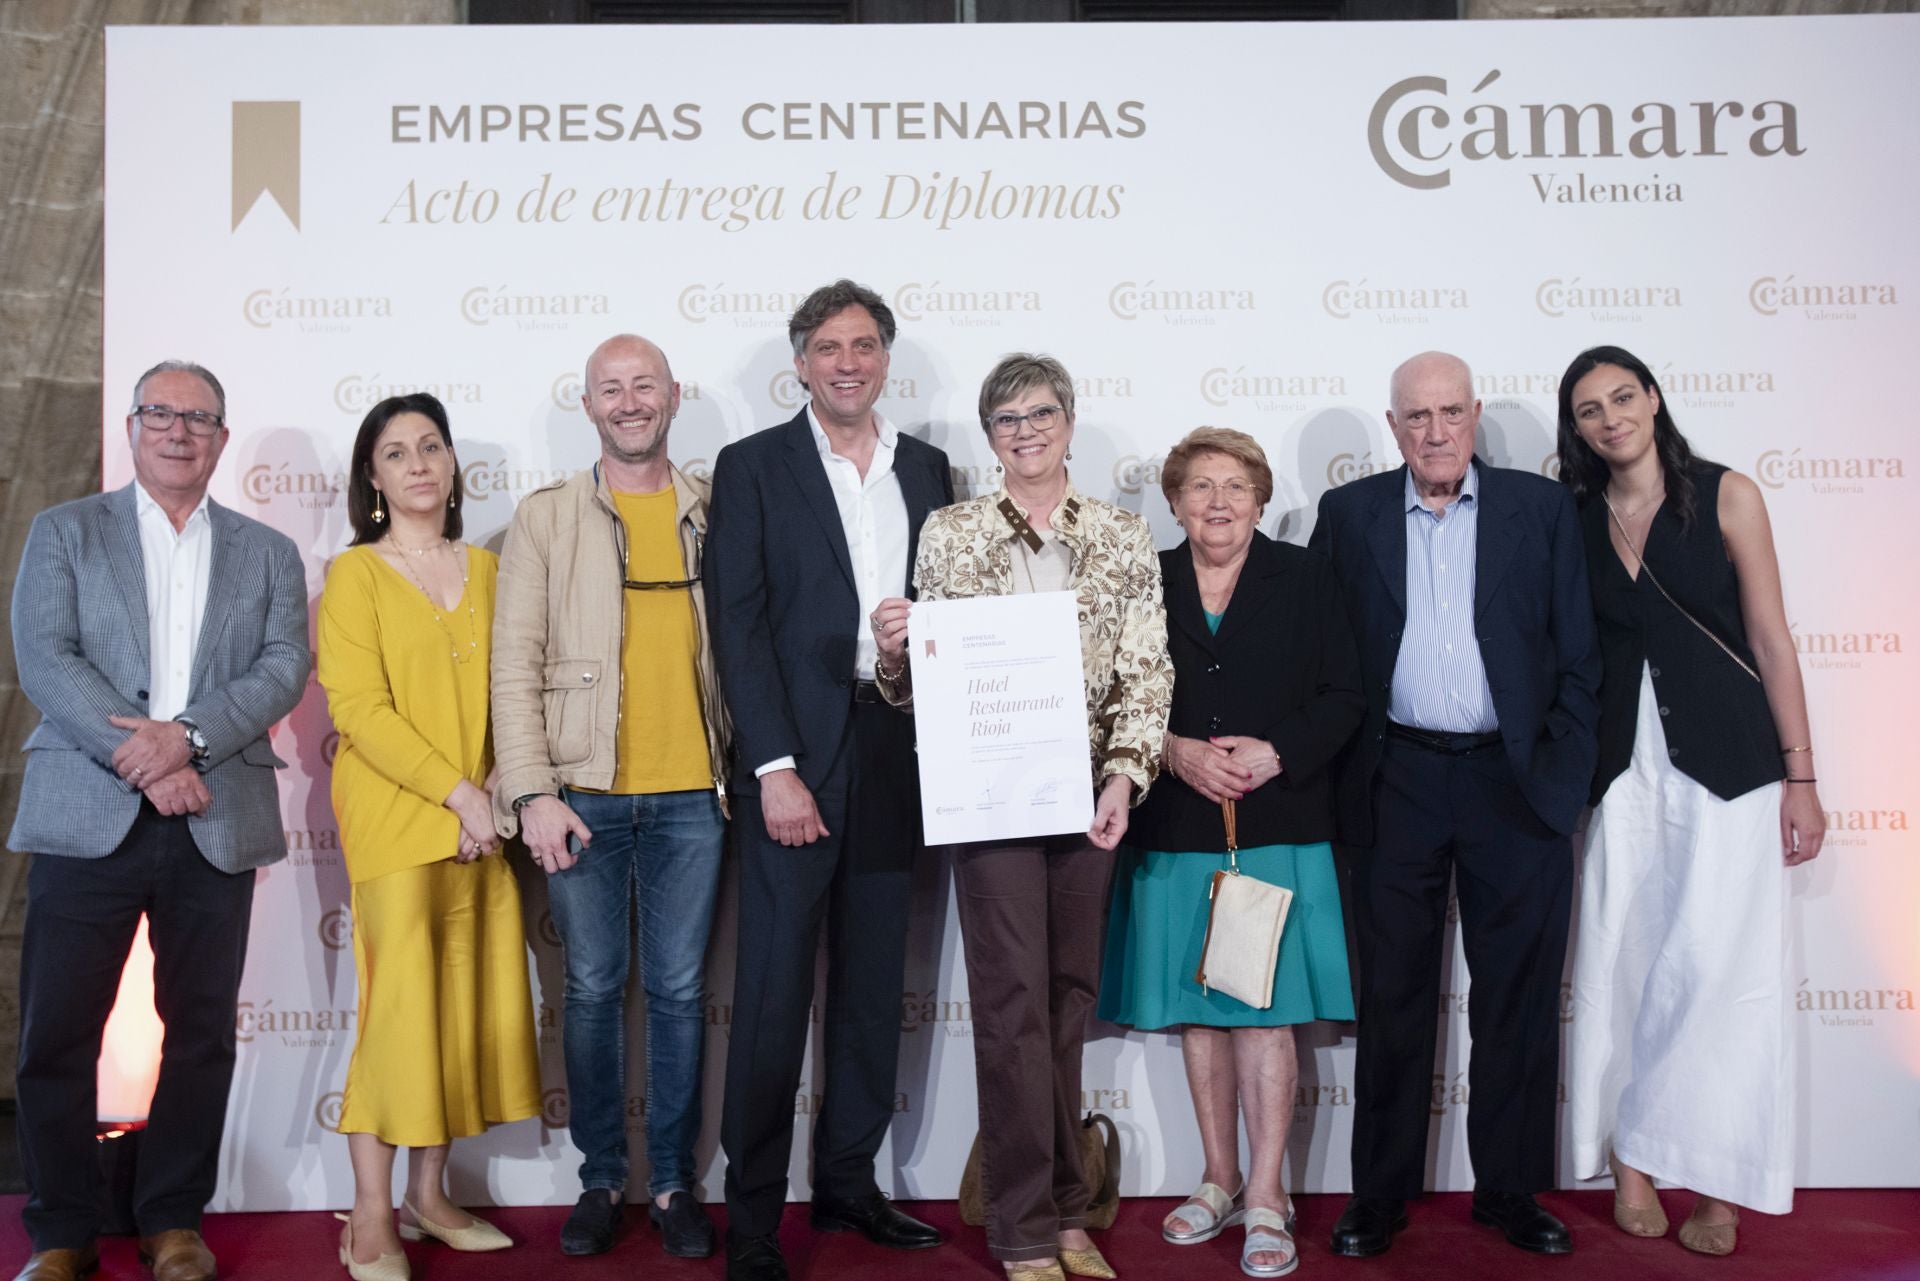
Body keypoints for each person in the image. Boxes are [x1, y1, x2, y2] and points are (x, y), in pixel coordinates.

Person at [870, 352, 1173, 1281]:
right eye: (1006, 420)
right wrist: (894, 652)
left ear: (1071, 420)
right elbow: (926, 688)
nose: (1026, 430)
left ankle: (1068, 1212)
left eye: (1041, 413)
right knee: (1010, 1012)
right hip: (990, 800)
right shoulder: (951, 534)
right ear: (990, 436)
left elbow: (1146, 674)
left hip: (1090, 800)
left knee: (1066, 1000)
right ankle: (1027, 1229)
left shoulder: (1122, 537)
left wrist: (1125, 779)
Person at [7, 360, 309, 1281]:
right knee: (57, 1029)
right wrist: (145, 761)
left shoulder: (268, 551)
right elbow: (44, 658)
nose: (179, 430)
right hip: (85, 814)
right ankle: (60, 1231)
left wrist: (186, 742)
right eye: (161, 413)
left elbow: (283, 665)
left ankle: (173, 1217)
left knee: (203, 1028)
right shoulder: (66, 532)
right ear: (133, 425)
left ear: (221, 436)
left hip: (213, 811)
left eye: (200, 417)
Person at [1308, 351, 1600, 1259]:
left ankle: (1510, 1192)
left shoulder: (1540, 508)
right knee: (1393, 995)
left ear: (1475, 415)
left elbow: (1579, 655)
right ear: (1391, 427)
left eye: (1449, 413)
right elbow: (1323, 653)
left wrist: (1560, 776)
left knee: (1514, 999)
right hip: (1394, 781)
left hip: (1512, 786)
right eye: (1415, 417)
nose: (1434, 433)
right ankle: (1379, 1197)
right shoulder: (1348, 514)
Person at [704, 280, 953, 1281]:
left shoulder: (930, 468)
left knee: (869, 989)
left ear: (885, 358)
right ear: (800, 362)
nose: (847, 362)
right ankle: (756, 1217)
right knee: (770, 999)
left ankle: (849, 1184)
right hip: (795, 762)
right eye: (827, 347)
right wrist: (773, 766)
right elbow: (739, 624)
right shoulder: (754, 465)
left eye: (864, 345)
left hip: (897, 750)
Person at [1557, 345, 1823, 1257]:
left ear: (1655, 397)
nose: (1610, 418)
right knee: (1622, 958)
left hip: (1732, 764)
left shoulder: (1728, 494)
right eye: (1590, 409)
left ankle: (1718, 1179)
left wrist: (1803, 776)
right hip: (1621, 771)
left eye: (1622, 396)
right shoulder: (1576, 515)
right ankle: (1632, 1159)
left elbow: (1772, 639)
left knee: (1723, 965)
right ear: (1579, 429)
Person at [1098, 427, 1364, 1279]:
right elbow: (1110, 690)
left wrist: (1277, 748)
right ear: (1173, 503)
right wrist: (1173, 749)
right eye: (1200, 486)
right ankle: (1215, 1178)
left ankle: (1266, 1192)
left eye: (1236, 486)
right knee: (1200, 1012)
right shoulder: (1146, 578)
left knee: (1266, 1015)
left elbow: (1348, 691)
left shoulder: (1308, 577)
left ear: (1260, 499)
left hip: (1276, 820)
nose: (1218, 501)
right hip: (1174, 823)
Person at [492, 334, 731, 1260]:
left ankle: (672, 1183)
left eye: (644, 386)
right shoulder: (546, 516)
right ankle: (599, 1180)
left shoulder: (717, 506)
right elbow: (513, 668)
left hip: (691, 799)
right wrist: (531, 791)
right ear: (587, 405)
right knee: (589, 990)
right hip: (580, 796)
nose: (629, 401)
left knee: (677, 992)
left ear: (674, 395)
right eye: (610, 389)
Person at [317, 393, 542, 1281]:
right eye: (396, 451)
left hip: (480, 827)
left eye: (431, 446)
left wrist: (491, 789)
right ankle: (370, 1215)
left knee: (458, 1014)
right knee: (399, 1016)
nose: (417, 463)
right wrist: (456, 793)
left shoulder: (488, 571)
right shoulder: (355, 576)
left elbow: (512, 690)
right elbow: (358, 710)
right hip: (397, 823)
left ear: (452, 466)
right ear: (371, 477)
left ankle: (432, 1195)